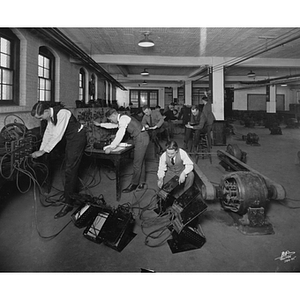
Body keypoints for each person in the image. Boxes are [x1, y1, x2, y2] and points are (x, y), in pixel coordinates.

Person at [31, 102, 87, 219]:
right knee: (69, 169)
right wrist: (41, 149)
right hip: (69, 139)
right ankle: (70, 195)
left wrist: (43, 151)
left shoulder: (63, 113)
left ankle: (68, 203)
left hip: (77, 138)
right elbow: (48, 133)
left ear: (46, 111)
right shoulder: (50, 116)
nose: (41, 119)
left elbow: (57, 135)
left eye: (40, 117)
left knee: (69, 170)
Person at [94, 108, 149, 193]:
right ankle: (141, 183)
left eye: (111, 119)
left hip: (141, 138)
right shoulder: (122, 118)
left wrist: (112, 146)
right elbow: (113, 125)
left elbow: (120, 132)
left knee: (137, 163)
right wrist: (100, 124)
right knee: (140, 161)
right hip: (141, 137)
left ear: (114, 115)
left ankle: (134, 184)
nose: (111, 121)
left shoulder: (123, 119)